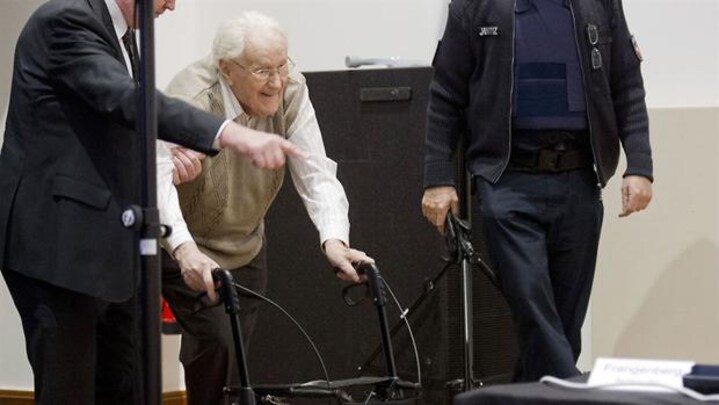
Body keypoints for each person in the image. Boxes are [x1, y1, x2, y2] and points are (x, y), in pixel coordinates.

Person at [0, 0, 303, 403]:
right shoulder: (65, 20)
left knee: (126, 387)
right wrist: (231, 133)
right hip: (59, 247)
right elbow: (129, 99)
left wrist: (164, 158)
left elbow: (116, 122)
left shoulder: (121, 36)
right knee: (70, 391)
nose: (172, 5)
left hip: (107, 246)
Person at [421, 0, 653, 382]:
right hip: (507, 181)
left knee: (562, 325)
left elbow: (626, 83)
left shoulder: (600, 3)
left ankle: (536, 392)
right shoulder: (474, 5)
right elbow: (446, 94)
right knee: (533, 308)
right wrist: (437, 177)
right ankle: (574, 390)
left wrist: (640, 165)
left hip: (579, 181)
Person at [156, 11, 373, 405]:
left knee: (235, 364)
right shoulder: (192, 96)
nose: (276, 81)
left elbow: (315, 170)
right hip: (186, 247)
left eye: (281, 66)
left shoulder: (291, 88)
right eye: (262, 70)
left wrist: (334, 240)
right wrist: (185, 252)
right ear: (227, 68)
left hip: (246, 245)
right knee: (216, 344)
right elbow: (157, 184)